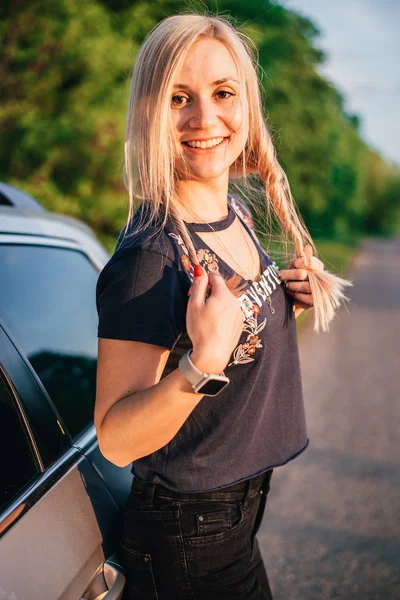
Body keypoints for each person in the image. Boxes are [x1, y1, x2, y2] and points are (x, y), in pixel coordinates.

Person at [95, 13, 352, 600]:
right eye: (178, 97)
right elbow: (114, 439)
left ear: (248, 103)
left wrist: (282, 299)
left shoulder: (230, 209)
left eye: (223, 93)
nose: (204, 119)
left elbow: (235, 325)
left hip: (235, 515)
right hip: (188, 533)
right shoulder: (151, 258)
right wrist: (201, 364)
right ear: (148, 112)